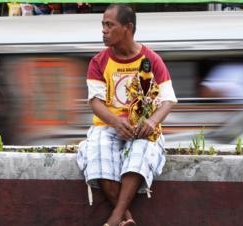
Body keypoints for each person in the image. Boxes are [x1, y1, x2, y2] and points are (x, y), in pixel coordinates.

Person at [76, 4, 177, 226]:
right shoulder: (98, 62)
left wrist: (151, 122)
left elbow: (168, 99)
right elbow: (95, 102)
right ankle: (126, 218)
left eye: (109, 25)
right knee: (98, 153)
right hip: (108, 127)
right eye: (103, 25)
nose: (103, 30)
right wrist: (115, 122)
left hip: (142, 127)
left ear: (127, 28)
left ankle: (114, 219)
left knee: (142, 151)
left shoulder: (152, 60)